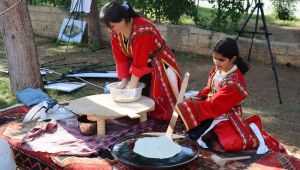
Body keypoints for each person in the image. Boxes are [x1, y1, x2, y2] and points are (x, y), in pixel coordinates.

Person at [176, 37, 285, 153]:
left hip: (227, 113)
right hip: (212, 107)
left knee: (230, 144)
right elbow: (208, 89)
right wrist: (196, 98)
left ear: (233, 59)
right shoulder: (215, 71)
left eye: (221, 60)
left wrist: (188, 107)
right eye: (214, 58)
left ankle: (252, 131)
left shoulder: (234, 83)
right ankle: (210, 130)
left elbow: (215, 105)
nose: (216, 63)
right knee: (189, 121)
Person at [99, 1, 181, 121]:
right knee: (136, 93)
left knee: (162, 102)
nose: (109, 30)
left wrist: (131, 88)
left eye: (111, 26)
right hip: (141, 63)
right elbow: (120, 59)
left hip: (160, 62)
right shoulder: (115, 33)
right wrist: (124, 81)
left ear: (122, 20)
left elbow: (139, 62)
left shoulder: (143, 29)